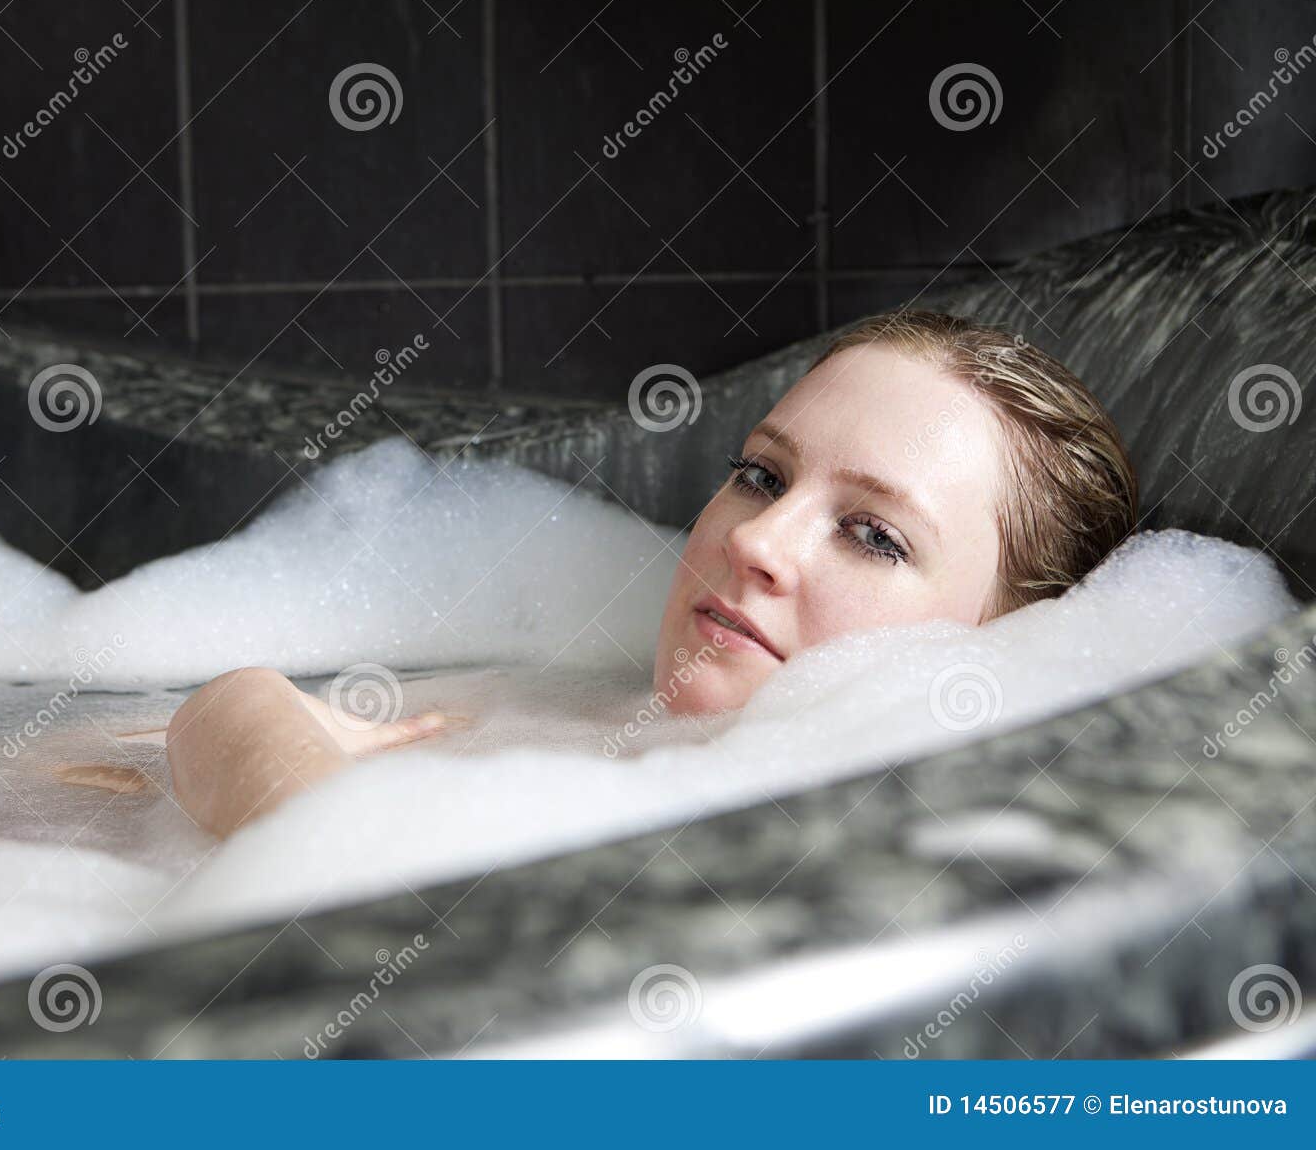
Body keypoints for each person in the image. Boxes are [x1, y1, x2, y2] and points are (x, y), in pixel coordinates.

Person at [164, 311, 1140, 837]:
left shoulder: (859, 859)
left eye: (872, 534)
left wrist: (247, 717)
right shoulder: (540, 719)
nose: (756, 540)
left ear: (1015, 646)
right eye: (761, 474)